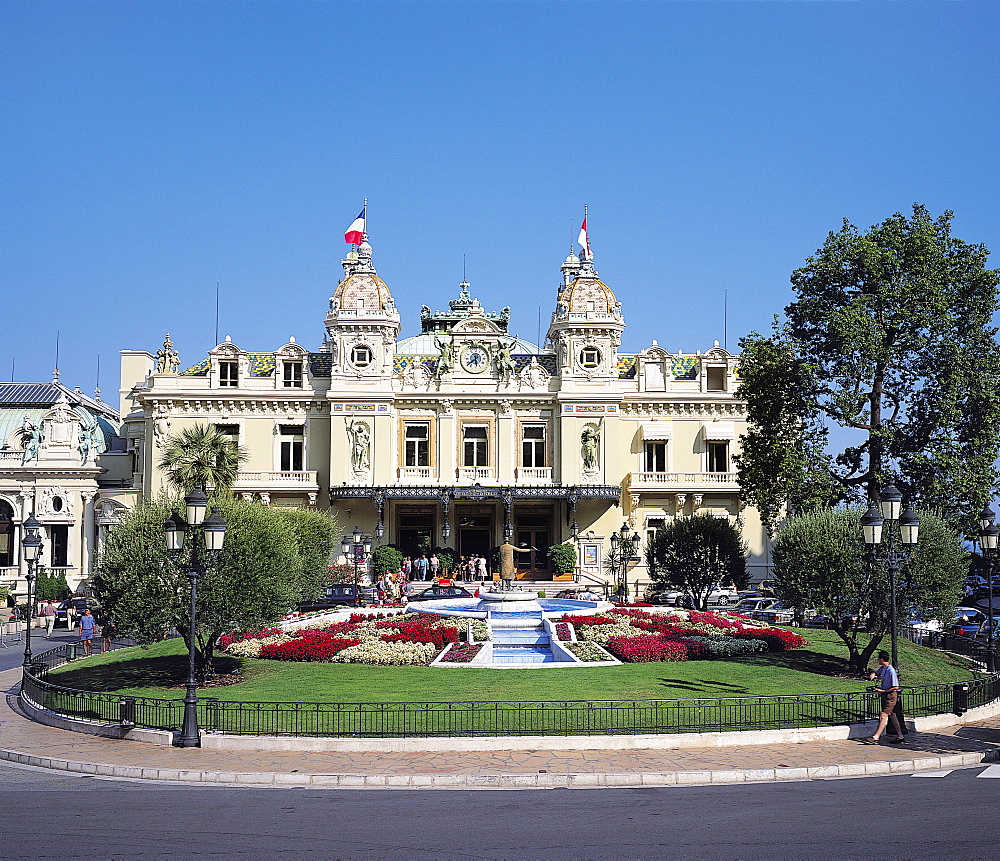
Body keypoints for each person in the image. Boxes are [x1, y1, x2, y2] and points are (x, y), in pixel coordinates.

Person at [862, 651, 906, 744]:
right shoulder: (883, 668)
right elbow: (877, 672)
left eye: (878, 659)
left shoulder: (891, 670)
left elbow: (896, 687)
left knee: (883, 715)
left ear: (882, 659)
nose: (877, 660)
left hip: (891, 695)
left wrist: (883, 691)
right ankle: (900, 736)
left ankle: (876, 737)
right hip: (885, 695)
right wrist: (873, 674)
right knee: (893, 715)